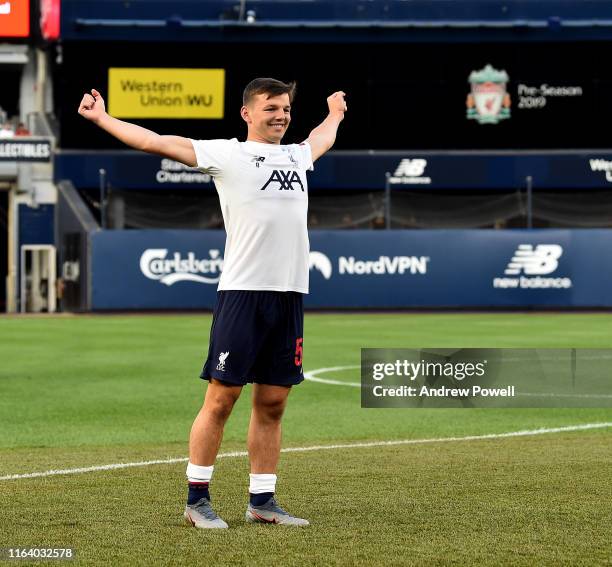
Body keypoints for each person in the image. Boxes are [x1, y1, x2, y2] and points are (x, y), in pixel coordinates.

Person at [78, 78, 347, 528]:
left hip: (289, 295)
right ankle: (196, 500)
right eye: (271, 108)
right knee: (222, 398)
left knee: (274, 402)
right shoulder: (227, 154)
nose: (281, 115)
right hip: (242, 293)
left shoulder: (298, 157)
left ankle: (262, 502)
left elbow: (321, 137)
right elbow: (154, 141)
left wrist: (334, 111)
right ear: (246, 113)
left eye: (285, 108)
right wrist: (102, 118)